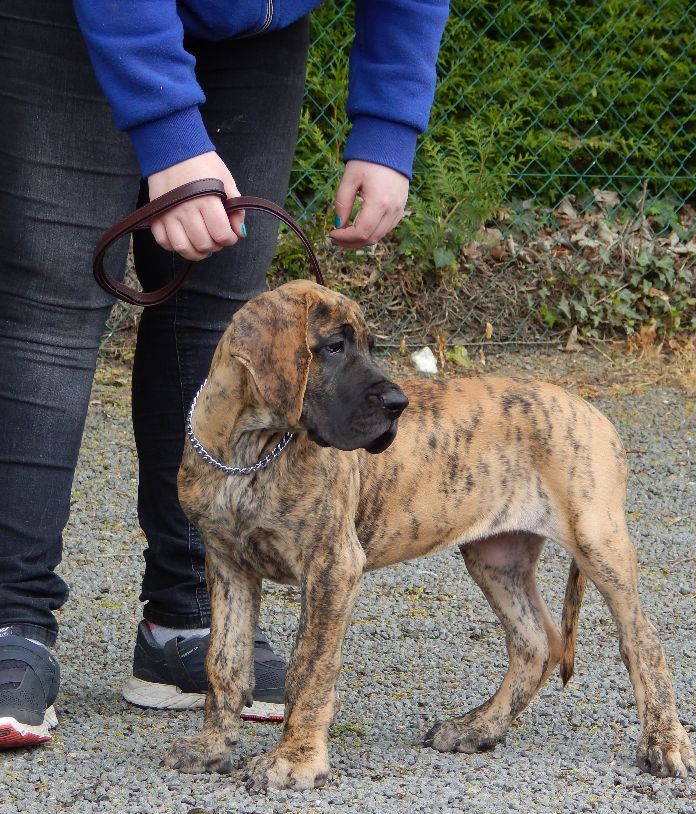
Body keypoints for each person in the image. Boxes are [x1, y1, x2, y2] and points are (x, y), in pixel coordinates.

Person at [0, 0, 449, 749]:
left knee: (218, 315)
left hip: (252, 28)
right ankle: (13, 620)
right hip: (79, 20)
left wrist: (388, 125)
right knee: (50, 306)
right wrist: (168, 128)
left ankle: (185, 621)